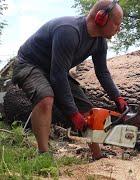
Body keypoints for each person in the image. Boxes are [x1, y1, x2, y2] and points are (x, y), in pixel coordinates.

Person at [11, 0, 127, 160]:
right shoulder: (68, 31)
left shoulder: (100, 42)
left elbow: (102, 72)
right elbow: (58, 77)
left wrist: (117, 97)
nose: (118, 29)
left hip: (54, 69)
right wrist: (72, 113)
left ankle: (97, 155)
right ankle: (43, 155)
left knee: (85, 107)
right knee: (45, 97)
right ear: (101, 18)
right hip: (29, 64)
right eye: (116, 24)